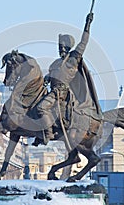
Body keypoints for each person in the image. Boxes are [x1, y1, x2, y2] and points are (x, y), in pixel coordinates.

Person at [33, 12, 103, 146]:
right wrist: (46, 78)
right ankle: (39, 133)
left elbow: (83, 42)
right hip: (51, 91)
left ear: (67, 47)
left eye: (63, 47)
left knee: (41, 108)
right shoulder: (56, 63)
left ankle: (47, 133)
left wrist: (87, 24)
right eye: (60, 47)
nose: (61, 49)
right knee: (34, 105)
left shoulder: (72, 59)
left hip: (62, 93)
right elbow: (52, 76)